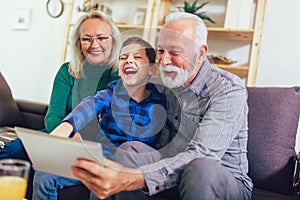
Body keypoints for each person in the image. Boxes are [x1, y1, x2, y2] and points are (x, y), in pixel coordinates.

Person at [70, 12, 253, 200]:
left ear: (201, 53)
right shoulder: (168, 81)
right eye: (160, 51)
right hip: (174, 165)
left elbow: (203, 153)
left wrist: (134, 178)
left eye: (174, 52)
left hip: (218, 178)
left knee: (201, 167)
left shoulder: (228, 89)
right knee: (130, 151)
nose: (164, 61)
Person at [0, 10, 121, 198]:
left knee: (43, 171)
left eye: (102, 38)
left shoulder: (119, 76)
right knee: (13, 149)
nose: (94, 44)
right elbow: (53, 114)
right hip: (59, 136)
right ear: (78, 43)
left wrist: (80, 137)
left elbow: (109, 122)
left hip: (95, 145)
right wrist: (65, 139)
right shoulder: (67, 71)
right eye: (86, 38)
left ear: (113, 40)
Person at [33, 36, 166, 200]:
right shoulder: (110, 93)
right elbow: (89, 105)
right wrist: (65, 128)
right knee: (44, 175)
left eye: (137, 57)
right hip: (98, 158)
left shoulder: (162, 101)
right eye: (123, 58)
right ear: (120, 70)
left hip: (128, 167)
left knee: (101, 189)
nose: (128, 61)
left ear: (151, 69)